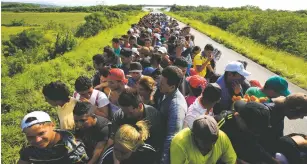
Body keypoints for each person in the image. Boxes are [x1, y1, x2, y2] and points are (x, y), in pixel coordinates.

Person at [18, 111, 89, 164]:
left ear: (52, 125)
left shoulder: (72, 146)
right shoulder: (30, 147)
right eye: (30, 137)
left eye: (41, 133)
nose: (37, 140)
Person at [170, 115, 237, 164]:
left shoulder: (222, 137)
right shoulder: (179, 143)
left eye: (213, 142)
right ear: (194, 136)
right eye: (205, 143)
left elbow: (232, 161)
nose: (210, 147)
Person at [157, 66, 188, 164]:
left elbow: (172, 137)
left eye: (162, 83)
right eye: (159, 81)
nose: (159, 84)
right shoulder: (165, 92)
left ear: (172, 87)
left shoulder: (176, 106)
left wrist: (163, 161)